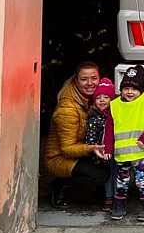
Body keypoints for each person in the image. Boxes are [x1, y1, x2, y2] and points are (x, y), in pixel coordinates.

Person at [43, 61, 111, 209]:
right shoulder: (67, 108)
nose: (90, 83)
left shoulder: (97, 99)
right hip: (59, 157)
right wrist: (91, 148)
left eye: (94, 78)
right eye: (84, 79)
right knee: (100, 174)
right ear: (76, 80)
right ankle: (60, 184)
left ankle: (98, 192)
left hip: (83, 151)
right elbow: (67, 149)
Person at [103, 65, 144, 222]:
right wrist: (108, 148)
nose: (129, 92)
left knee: (142, 181)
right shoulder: (114, 105)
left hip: (139, 152)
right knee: (122, 182)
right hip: (121, 153)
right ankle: (119, 205)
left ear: (141, 90)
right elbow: (109, 129)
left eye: (134, 89)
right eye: (126, 88)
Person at [85, 78, 117, 213]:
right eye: (98, 97)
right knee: (109, 174)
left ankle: (119, 196)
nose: (102, 100)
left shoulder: (116, 114)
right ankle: (109, 198)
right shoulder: (93, 118)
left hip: (117, 150)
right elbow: (90, 138)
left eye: (106, 97)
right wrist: (95, 149)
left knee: (119, 174)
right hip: (102, 153)